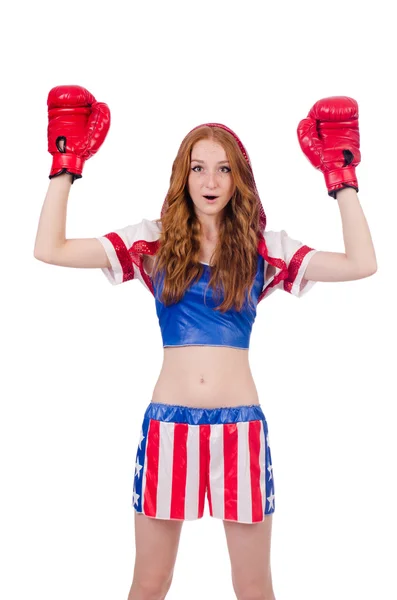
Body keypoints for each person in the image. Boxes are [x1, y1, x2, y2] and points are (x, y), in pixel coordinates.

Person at [34, 86, 377, 600]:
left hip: (239, 430)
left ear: (239, 178)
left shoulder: (266, 250)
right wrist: (66, 166)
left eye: (223, 168)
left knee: (254, 586)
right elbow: (50, 249)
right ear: (183, 175)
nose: (210, 180)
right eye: (198, 168)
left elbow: (361, 264)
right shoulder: (151, 243)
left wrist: (342, 181)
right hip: (168, 426)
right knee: (150, 583)